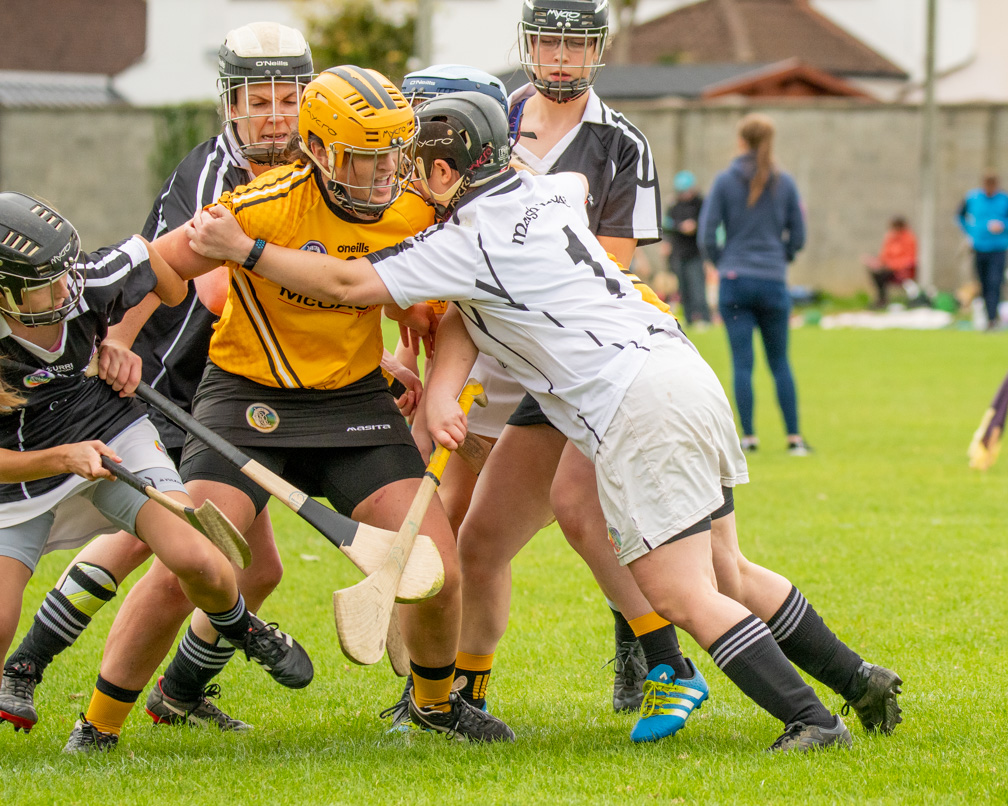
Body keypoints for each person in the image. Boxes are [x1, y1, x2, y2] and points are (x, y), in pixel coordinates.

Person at [186, 90, 905, 752]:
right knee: (726, 568)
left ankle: (811, 721)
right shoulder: (551, 188)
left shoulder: (462, 242)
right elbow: (509, 271)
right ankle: (858, 679)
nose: (399, 178)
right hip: (680, 372)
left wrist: (244, 250)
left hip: (634, 402)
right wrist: (442, 391)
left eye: (413, 166)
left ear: (442, 172)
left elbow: (349, 281)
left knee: (680, 590)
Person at [95, 66, 515, 744]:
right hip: (245, 399)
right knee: (195, 564)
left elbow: (439, 292)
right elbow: (162, 264)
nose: (383, 176)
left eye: (391, 158)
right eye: (363, 159)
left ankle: (434, 708)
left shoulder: (412, 209)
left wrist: (423, 323)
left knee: (435, 567)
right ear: (318, 151)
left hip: (350, 401)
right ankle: (99, 724)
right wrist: (118, 337)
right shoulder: (262, 205)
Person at [0, 22, 314, 734]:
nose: (273, 114)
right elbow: (201, 285)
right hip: (181, 382)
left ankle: (169, 693)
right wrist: (120, 337)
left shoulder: (310, 168)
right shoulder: (214, 176)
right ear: (230, 103)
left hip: (217, 390)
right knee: (169, 548)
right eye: (256, 99)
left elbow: (132, 269)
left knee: (235, 564)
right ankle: (75, 700)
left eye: (286, 98)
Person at [417, 0, 691, 729]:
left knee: (592, 513)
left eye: (574, 45)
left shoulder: (620, 143)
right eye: (547, 42)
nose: (560, 58)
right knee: (461, 528)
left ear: (596, 49)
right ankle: (441, 694)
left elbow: (612, 267)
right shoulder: (481, 116)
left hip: (573, 361)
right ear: (527, 45)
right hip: (480, 351)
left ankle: (654, 656)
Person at [699, 113, 810, 457]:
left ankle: (748, 438)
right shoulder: (785, 182)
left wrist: (724, 262)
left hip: (735, 281)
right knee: (780, 362)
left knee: (742, 363)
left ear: (740, 141)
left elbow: (706, 234)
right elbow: (799, 235)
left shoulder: (724, 181)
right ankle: (794, 438)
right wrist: (781, 258)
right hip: (773, 280)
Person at [956, 172, 1008, 331]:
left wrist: (1004, 225)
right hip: (979, 247)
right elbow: (959, 216)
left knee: (995, 282)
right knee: (983, 283)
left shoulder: (1006, 199)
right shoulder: (972, 198)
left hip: (999, 247)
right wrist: (970, 231)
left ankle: (993, 319)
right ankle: (988, 317)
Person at [664, 171, 710, 326]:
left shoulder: (701, 203)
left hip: (696, 252)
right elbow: (667, 225)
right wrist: (679, 228)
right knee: (683, 287)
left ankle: (704, 317)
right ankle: (689, 319)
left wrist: (694, 226)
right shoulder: (673, 205)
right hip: (679, 252)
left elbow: (707, 223)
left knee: (697, 286)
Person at [865, 216, 917, 309]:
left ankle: (882, 301)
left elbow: (910, 259)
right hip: (889, 270)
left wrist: (892, 265)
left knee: (881, 274)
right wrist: (876, 262)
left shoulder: (909, 239)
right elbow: (884, 256)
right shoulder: (890, 238)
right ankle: (882, 300)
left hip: (903, 271)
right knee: (876, 273)